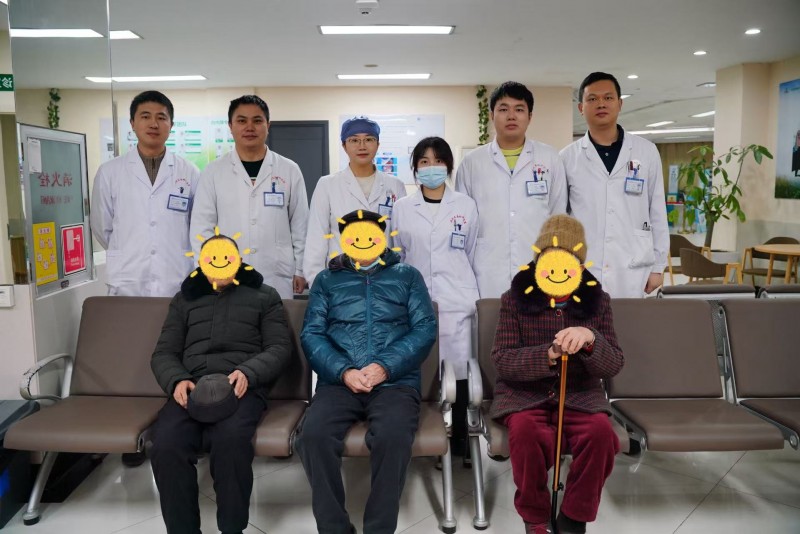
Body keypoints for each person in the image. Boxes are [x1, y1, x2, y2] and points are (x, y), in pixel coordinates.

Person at [296, 209, 437, 534]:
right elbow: (312, 334)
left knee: (392, 437)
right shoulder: (326, 280)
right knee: (313, 437)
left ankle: (379, 528)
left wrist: (385, 367)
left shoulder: (407, 276)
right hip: (338, 383)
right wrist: (343, 371)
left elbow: (425, 328)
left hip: (395, 383)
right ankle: (334, 528)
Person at [149, 232, 292, 534]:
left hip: (242, 387)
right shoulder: (184, 300)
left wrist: (248, 372)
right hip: (192, 387)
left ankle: (231, 528)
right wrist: (177, 380)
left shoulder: (265, 296)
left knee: (231, 441)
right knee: (165, 443)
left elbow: (279, 348)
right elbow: (164, 353)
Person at [491, 215, 624, 534]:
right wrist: (547, 354)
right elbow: (502, 360)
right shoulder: (514, 300)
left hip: (581, 394)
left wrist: (591, 339)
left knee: (601, 435)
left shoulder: (598, 301)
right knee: (525, 432)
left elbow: (614, 364)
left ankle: (574, 516)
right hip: (524, 395)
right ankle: (535, 517)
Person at [391, 136, 479, 461]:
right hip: (414, 302)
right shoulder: (402, 208)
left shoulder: (465, 206)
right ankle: (424, 436)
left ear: (449, 166)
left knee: (460, 373)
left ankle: (460, 442)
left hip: (457, 300)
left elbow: (471, 251)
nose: (432, 168)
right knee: (422, 371)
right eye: (424, 162)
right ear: (415, 168)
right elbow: (398, 255)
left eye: (438, 161)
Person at [560, 72, 668, 297]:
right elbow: (560, 218)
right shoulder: (567, 158)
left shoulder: (646, 151)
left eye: (608, 98)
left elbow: (657, 211)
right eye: (592, 99)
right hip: (583, 267)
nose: (601, 104)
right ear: (581, 108)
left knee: (631, 319)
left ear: (620, 104)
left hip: (634, 268)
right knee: (586, 319)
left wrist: (658, 267)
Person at [455, 81, 567, 298]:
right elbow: (463, 220)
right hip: (486, 270)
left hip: (538, 266)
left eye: (519, 109)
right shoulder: (472, 163)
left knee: (537, 318)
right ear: (491, 115)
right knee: (489, 318)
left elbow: (558, 215)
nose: (511, 116)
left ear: (530, 116)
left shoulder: (549, 158)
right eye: (504, 109)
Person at [190, 95, 309, 299]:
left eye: (257, 120)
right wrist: (209, 269)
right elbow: (202, 226)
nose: (249, 127)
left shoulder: (289, 169)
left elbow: (300, 224)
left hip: (278, 274)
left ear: (267, 125)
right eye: (242, 120)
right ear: (230, 126)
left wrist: (300, 269)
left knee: (276, 318)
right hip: (228, 272)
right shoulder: (213, 172)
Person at [90, 90, 200, 298]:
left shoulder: (189, 172)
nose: (153, 124)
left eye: (161, 117)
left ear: (171, 125)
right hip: (127, 279)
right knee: (129, 320)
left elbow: (197, 225)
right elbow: (102, 227)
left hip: (175, 277)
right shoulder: (110, 172)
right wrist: (128, 248)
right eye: (145, 116)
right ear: (132, 123)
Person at [303, 116, 406, 287]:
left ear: (378, 144)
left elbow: (400, 239)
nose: (362, 146)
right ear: (344, 145)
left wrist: (401, 279)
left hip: (385, 279)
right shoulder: (327, 184)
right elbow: (317, 235)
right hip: (339, 279)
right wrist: (316, 280)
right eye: (354, 140)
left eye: (369, 139)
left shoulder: (395, 186)